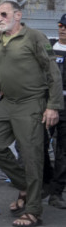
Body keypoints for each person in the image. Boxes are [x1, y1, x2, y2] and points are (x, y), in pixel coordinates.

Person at [0, 2, 63, 227]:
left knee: (31, 156)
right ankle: (26, 186)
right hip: (7, 102)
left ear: (18, 15)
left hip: (32, 103)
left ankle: (34, 211)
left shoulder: (35, 37)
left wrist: (53, 106)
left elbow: (53, 73)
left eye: (4, 13)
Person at [46, 14, 66, 209]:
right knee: (38, 147)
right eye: (60, 25)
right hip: (48, 104)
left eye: (65, 26)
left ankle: (56, 192)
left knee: (63, 152)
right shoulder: (49, 46)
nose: (62, 29)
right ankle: (40, 185)